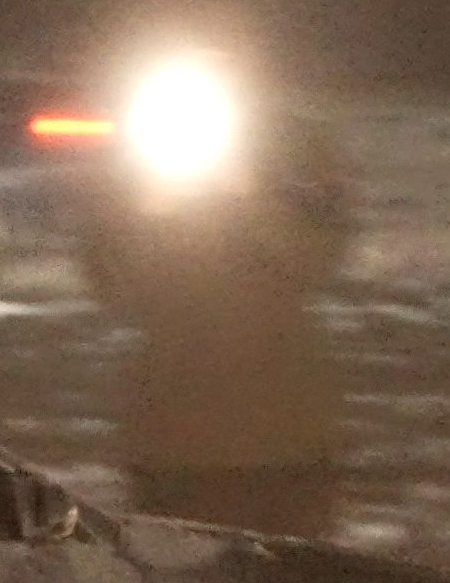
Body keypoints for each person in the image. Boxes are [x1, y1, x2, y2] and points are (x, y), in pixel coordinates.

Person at [79, 97, 349, 538]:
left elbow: (320, 257)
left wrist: (252, 195)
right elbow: (114, 287)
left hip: (286, 442)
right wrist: (148, 207)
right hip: (179, 446)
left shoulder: (295, 148)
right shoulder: (138, 168)